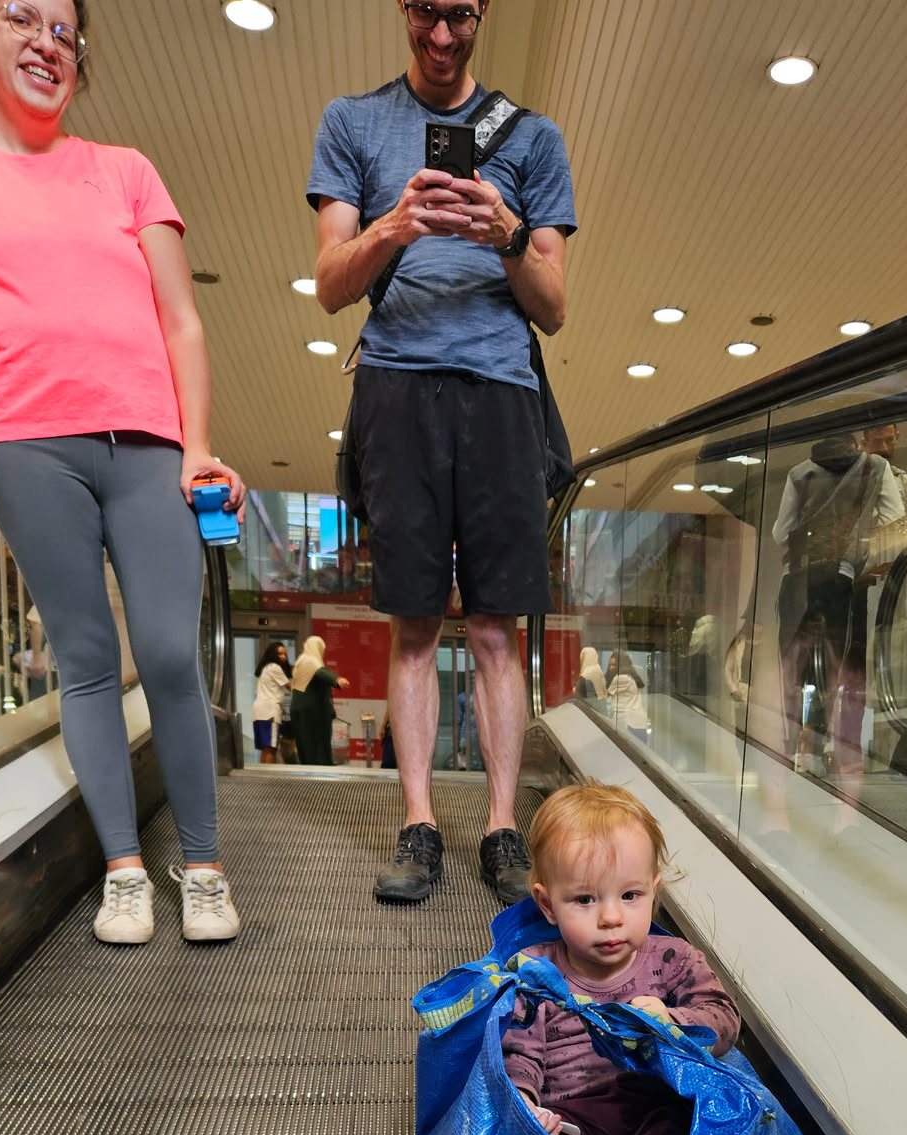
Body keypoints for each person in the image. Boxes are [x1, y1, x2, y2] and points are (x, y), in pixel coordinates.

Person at [0, 0, 245, 946]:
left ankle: (205, 866)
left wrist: (198, 443)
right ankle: (124, 872)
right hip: (26, 439)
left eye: (64, 30)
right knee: (87, 658)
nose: (46, 43)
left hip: (148, 439)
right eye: (23, 19)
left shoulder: (126, 170)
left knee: (169, 654)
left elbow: (181, 319)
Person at [308, 0, 576, 907]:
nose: (443, 35)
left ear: (483, 11)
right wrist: (395, 224)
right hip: (395, 388)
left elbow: (553, 305)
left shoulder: (534, 138)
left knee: (498, 627)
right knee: (414, 621)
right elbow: (329, 285)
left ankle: (501, 826)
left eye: (461, 14)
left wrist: (506, 232)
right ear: (402, 8)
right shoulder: (352, 123)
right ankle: (419, 823)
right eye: (426, 11)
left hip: (502, 392)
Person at [502, 783, 740, 1135]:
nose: (611, 918)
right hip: (572, 1113)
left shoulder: (673, 959)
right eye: (585, 899)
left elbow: (724, 1019)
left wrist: (670, 1021)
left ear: (653, 891)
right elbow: (518, 1050)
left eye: (630, 895)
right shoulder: (535, 972)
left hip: (655, 1102)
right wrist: (525, 1101)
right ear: (548, 905)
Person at [289, 634, 347, 766]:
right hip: (312, 712)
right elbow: (321, 673)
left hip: (302, 710)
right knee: (315, 746)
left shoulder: (301, 662)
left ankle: (311, 768)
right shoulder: (310, 661)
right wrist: (337, 680)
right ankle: (319, 769)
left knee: (306, 745)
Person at [251, 640, 291, 764]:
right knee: (271, 748)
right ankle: (267, 775)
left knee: (265, 749)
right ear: (273, 655)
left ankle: (262, 774)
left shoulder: (265, 668)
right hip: (270, 713)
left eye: (284, 654)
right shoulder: (274, 667)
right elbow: (290, 686)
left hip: (259, 712)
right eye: (280, 654)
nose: (283, 657)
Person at [604, 651, 648, 740]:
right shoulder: (630, 677)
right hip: (639, 723)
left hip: (627, 723)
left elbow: (604, 695)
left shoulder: (620, 678)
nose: (611, 668)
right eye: (610, 665)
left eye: (614, 665)